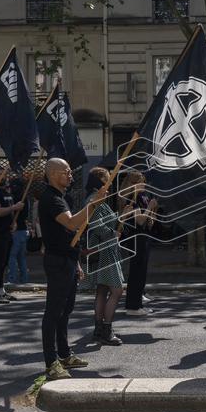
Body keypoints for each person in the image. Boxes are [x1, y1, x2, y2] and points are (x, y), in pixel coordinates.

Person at [37, 157, 91, 380]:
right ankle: (51, 362)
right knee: (54, 311)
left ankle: (65, 354)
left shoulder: (61, 197)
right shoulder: (50, 198)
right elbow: (71, 223)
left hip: (68, 260)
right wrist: (93, 205)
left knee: (66, 310)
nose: (70, 175)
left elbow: (68, 234)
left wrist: (76, 262)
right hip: (57, 262)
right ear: (52, 174)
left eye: (70, 172)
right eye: (66, 172)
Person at [86, 167, 126, 345]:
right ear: (100, 179)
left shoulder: (99, 199)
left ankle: (98, 329)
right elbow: (97, 225)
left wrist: (122, 216)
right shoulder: (94, 199)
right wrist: (113, 233)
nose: (109, 181)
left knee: (102, 290)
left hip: (104, 249)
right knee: (117, 290)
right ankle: (106, 330)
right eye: (107, 178)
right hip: (105, 251)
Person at [120, 171, 157, 316]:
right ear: (133, 183)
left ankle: (138, 304)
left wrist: (151, 212)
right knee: (137, 271)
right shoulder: (131, 198)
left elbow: (146, 220)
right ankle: (133, 306)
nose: (144, 184)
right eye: (140, 182)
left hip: (143, 236)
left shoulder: (141, 197)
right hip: (135, 237)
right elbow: (139, 220)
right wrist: (149, 208)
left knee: (141, 271)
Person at [0, 172, 24, 304]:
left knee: (4, 263)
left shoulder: (7, 192)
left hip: (8, 232)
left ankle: (1, 291)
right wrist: (14, 207)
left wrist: (14, 222)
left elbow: (10, 211)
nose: (1, 177)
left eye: (3, 175)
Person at [8, 177, 32, 285]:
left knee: (12, 256)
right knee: (21, 257)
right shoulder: (25, 198)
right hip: (23, 230)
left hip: (17, 230)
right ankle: (24, 279)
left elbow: (14, 214)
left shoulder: (19, 199)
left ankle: (12, 279)